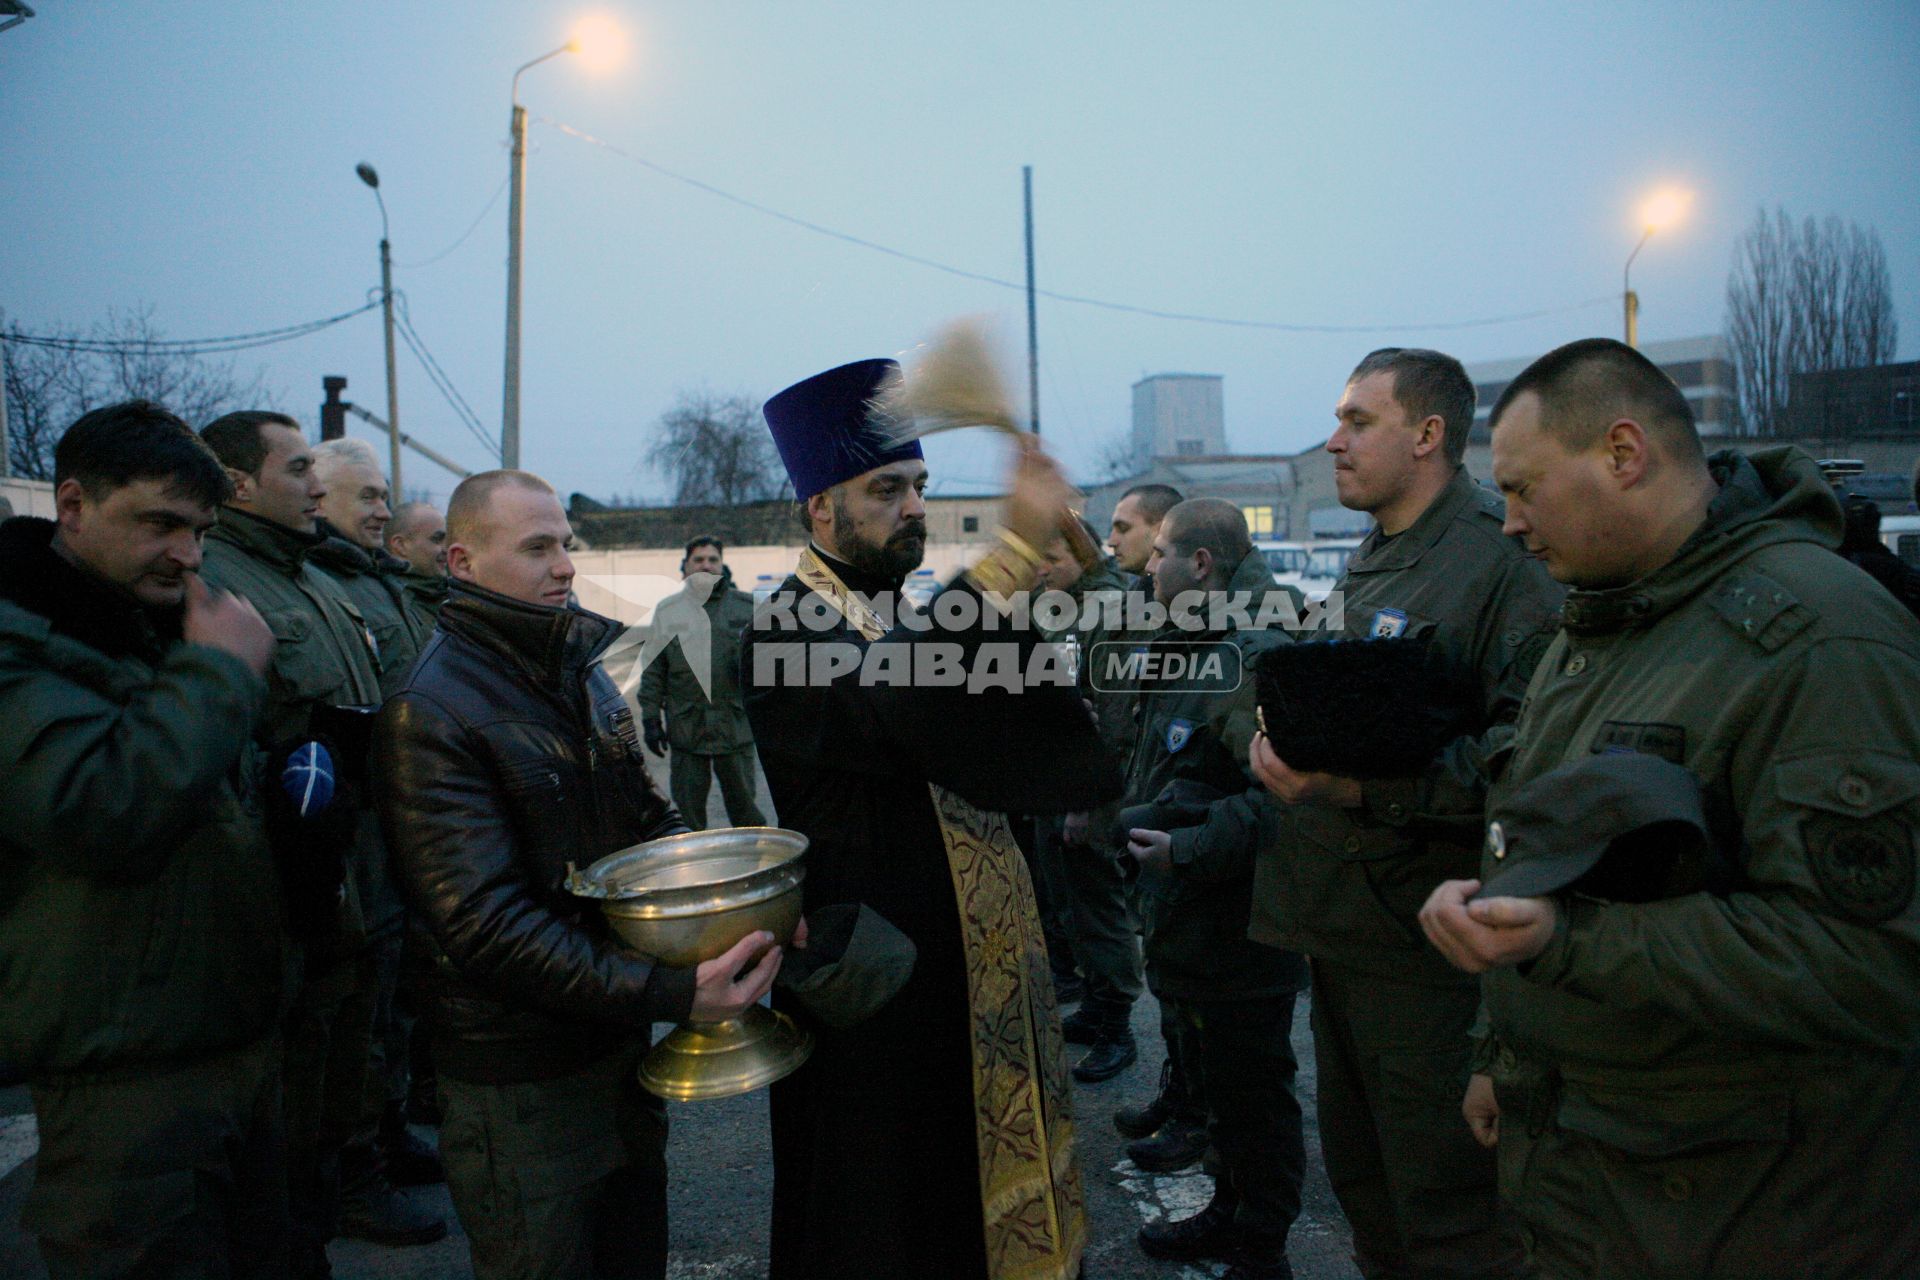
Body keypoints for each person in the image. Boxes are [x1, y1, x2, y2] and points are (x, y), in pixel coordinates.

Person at [1419, 337, 1920, 1278]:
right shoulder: (1606, 622)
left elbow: (1878, 964)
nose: (1510, 524)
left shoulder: (1822, 642)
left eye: (1525, 490)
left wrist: (1563, 942)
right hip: (1602, 1163)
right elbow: (1552, 852)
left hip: (1749, 1204)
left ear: (1622, 452)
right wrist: (1504, 1050)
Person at [742, 358, 1120, 1280]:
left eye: (919, 486)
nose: (914, 507)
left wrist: (1034, 601)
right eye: (887, 489)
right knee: (888, 1207)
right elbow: (897, 705)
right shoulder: (784, 630)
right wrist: (1005, 559)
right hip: (881, 977)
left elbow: (1002, 726)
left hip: (975, 963)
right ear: (820, 508)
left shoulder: (897, 611)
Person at [374, 469, 780, 1280]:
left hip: (613, 1051)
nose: (564, 565)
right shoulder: (433, 707)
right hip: (520, 1083)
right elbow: (483, 926)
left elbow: (646, 823)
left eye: (566, 544)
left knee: (632, 1258)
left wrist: (731, 905)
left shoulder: (578, 669)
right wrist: (669, 993)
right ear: (461, 560)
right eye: (536, 548)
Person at [1248, 348, 1556, 1280]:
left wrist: (1358, 791)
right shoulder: (1384, 553)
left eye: (1357, 422)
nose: (1334, 443)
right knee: (1369, 1197)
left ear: (1427, 436)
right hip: (1349, 935)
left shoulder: (1502, 563)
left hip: (1432, 958)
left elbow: (1531, 768)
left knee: (1449, 1214)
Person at [0, 401, 290, 1278]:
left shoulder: (143, 624)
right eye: (158, 523)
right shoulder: (21, 642)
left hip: (226, 1044)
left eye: (199, 530)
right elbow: (102, 809)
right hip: (122, 1079)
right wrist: (220, 672)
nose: (187, 554)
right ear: (75, 505)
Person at [199, 410, 443, 1272]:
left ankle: (347, 1168)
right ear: (237, 484)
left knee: (357, 1016)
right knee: (308, 1042)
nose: (313, 487)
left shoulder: (310, 576)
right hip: (294, 858)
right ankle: (312, 1199)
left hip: (359, 842)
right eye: (298, 468)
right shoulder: (219, 577)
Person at [1120, 499, 1309, 1279]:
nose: (1146, 564)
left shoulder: (1249, 656)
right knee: (1221, 1089)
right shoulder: (1190, 643)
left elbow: (1281, 802)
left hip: (1239, 928)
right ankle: (1230, 1210)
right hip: (1191, 919)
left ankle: (1261, 1244)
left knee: (1253, 1093)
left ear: (1200, 566)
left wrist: (1186, 846)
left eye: (1159, 551)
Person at [307, 438, 447, 1213]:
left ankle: (384, 1134)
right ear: (319, 501)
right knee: (356, 1005)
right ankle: (352, 1165)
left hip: (395, 818)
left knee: (389, 996)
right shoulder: (321, 582)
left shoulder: (372, 584)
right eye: (365, 496)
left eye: (384, 495)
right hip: (347, 828)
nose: (382, 509)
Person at [1031, 525, 1145, 1084]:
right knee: (1066, 902)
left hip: (1090, 792)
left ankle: (1118, 1025)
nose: (1041, 567)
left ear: (1080, 554)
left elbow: (1116, 720)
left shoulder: (1111, 610)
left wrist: (1087, 800)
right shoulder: (1052, 606)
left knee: (1101, 908)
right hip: (1049, 783)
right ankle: (1097, 1005)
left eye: (1050, 556)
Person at [637, 534, 767, 829]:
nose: (706, 565)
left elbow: (770, 668)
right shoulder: (668, 611)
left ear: (722, 566)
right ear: (685, 566)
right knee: (688, 815)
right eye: (699, 559)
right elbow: (654, 668)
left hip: (734, 727)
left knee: (746, 812)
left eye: (712, 559)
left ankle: (753, 866)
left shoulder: (747, 607)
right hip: (687, 729)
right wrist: (650, 719)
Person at [384, 500, 449, 631]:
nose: (447, 549)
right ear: (400, 545)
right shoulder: (387, 605)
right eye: (437, 539)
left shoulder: (448, 599)